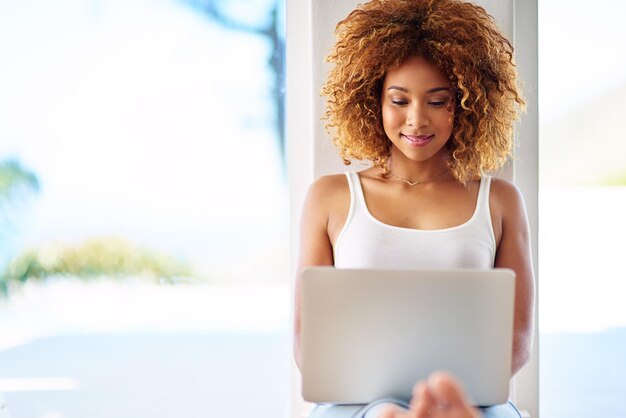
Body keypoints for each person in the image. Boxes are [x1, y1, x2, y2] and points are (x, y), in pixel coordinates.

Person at [294, 0, 535, 417]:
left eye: (438, 101)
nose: (417, 120)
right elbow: (308, 342)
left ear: (466, 104)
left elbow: (517, 340)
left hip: (465, 401)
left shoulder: (499, 201)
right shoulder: (329, 198)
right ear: (373, 101)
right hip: (355, 403)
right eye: (399, 100)